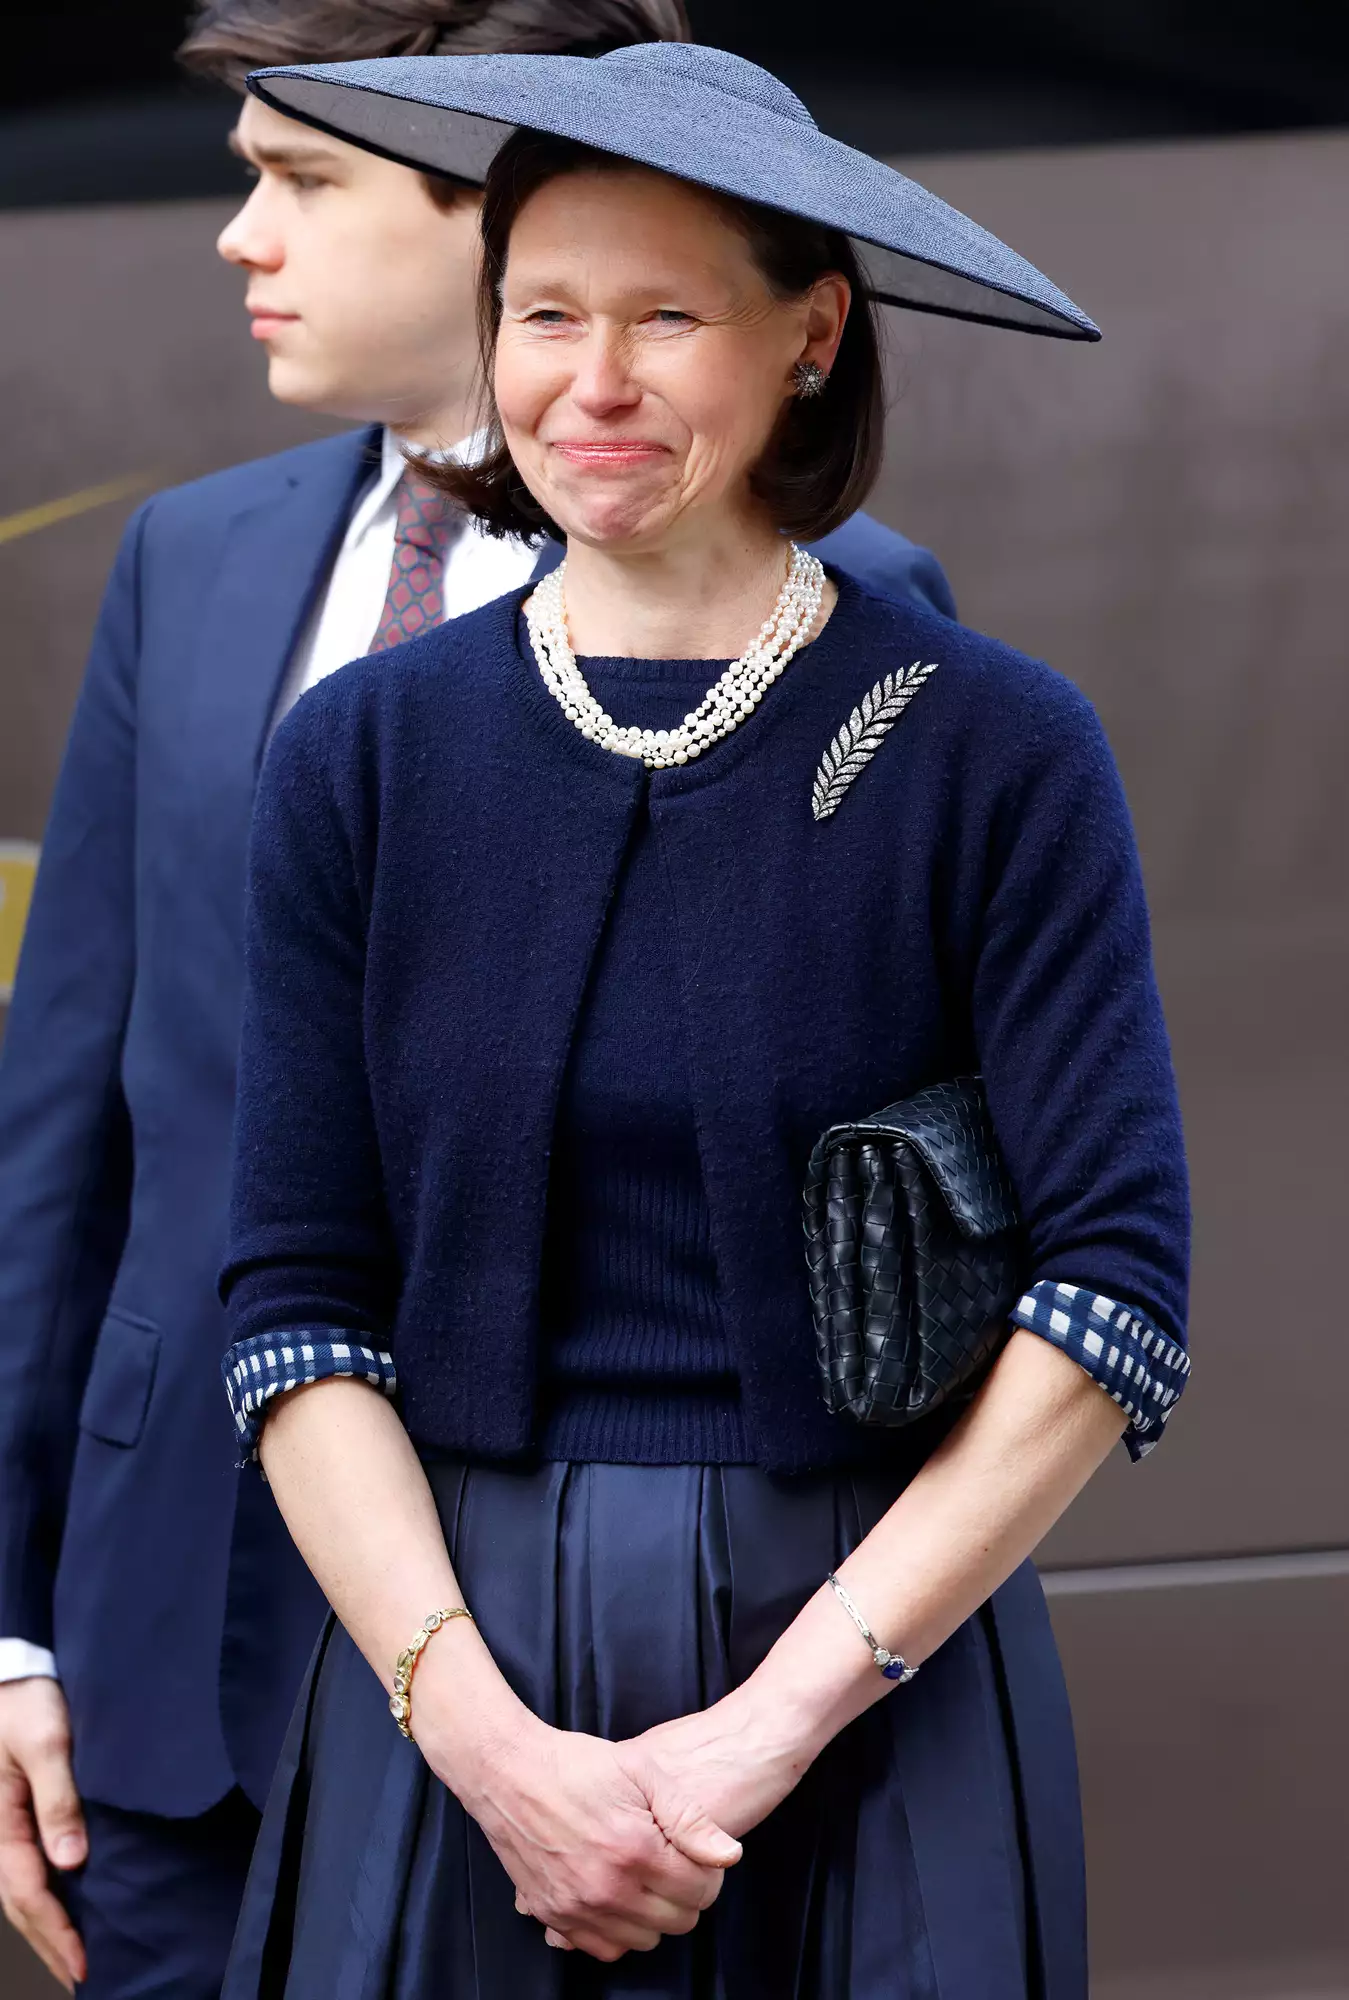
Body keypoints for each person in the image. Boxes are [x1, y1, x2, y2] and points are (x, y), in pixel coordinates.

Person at [214, 41, 1191, 2000]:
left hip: (867, 1664)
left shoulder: (989, 748)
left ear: (809, 337)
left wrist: (767, 1728)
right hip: (455, 1670)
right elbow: (293, 1297)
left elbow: (1112, 1290)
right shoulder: (362, 759)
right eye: (542, 315)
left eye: (667, 317)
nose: (592, 383)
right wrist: (485, 1748)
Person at [0, 7, 957, 1997]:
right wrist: (10, 1622)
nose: (235, 239)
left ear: (499, 197)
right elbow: (65, 1135)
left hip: (601, 1653)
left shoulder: (854, 616)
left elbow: (882, 1180)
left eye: (303, 180)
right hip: (174, 1650)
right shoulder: (195, 560)